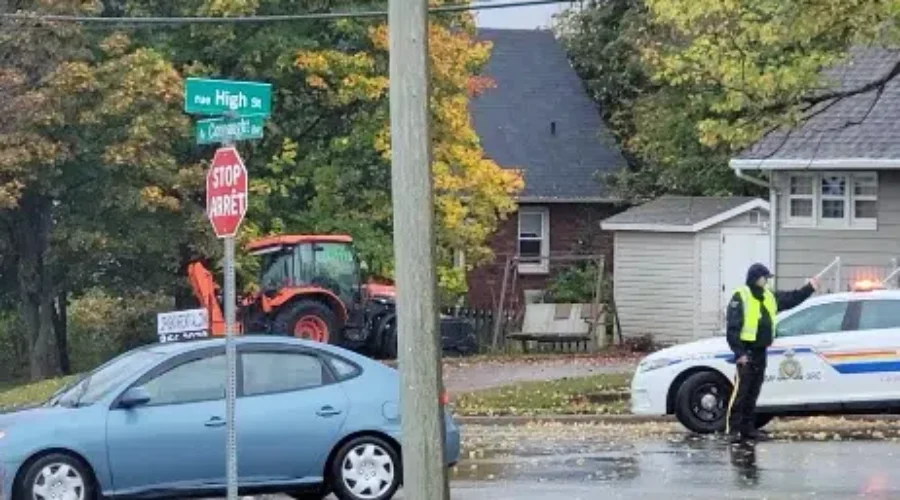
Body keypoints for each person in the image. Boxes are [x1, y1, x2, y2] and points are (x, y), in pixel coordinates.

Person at [725, 263, 818, 443]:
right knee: (741, 392)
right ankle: (733, 429)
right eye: (764, 278)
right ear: (756, 278)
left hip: (760, 350)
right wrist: (739, 353)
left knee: (754, 391)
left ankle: (748, 428)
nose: (766, 281)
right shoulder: (741, 296)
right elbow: (733, 328)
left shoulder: (768, 296)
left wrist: (809, 289)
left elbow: (790, 299)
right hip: (746, 351)